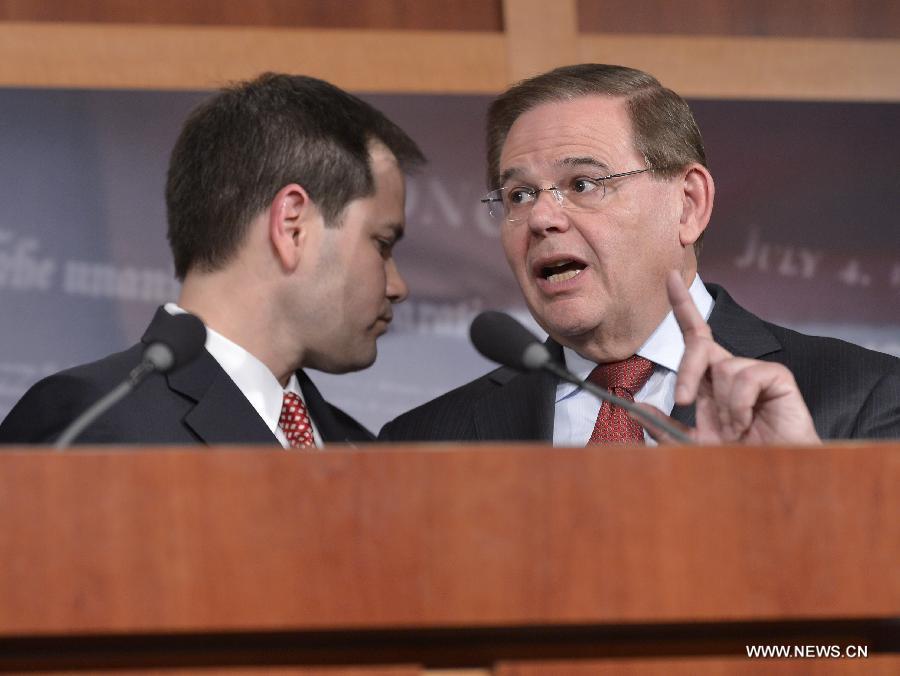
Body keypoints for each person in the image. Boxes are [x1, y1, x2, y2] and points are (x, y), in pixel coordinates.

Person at [380, 64, 899, 444]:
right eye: (519, 195)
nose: (542, 217)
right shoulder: (424, 441)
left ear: (688, 204)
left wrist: (790, 495)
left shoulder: (863, 396)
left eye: (582, 183)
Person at [0, 73, 425, 447]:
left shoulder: (360, 449)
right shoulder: (89, 424)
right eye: (383, 244)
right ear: (292, 225)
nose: (397, 286)